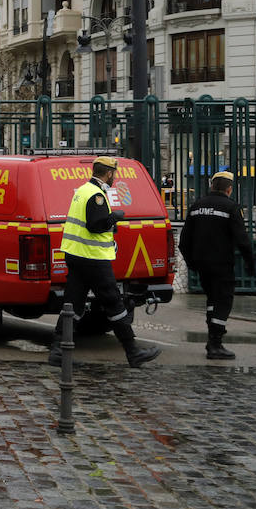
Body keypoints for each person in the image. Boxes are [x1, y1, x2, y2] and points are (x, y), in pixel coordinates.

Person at [49, 156, 162, 368]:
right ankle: (133, 351)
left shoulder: (82, 190)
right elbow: (95, 225)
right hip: (93, 258)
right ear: (108, 173)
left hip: (76, 255)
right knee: (114, 304)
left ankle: (57, 350)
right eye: (114, 174)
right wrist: (114, 218)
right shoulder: (96, 195)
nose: (114, 178)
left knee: (73, 305)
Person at [179, 170, 256, 360]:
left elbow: (183, 240)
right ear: (229, 189)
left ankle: (212, 339)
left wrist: (191, 262)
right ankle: (215, 344)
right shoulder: (231, 208)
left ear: (212, 186)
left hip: (202, 265)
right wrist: (250, 263)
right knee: (223, 301)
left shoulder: (197, 206)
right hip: (221, 264)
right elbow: (242, 239)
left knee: (212, 301)